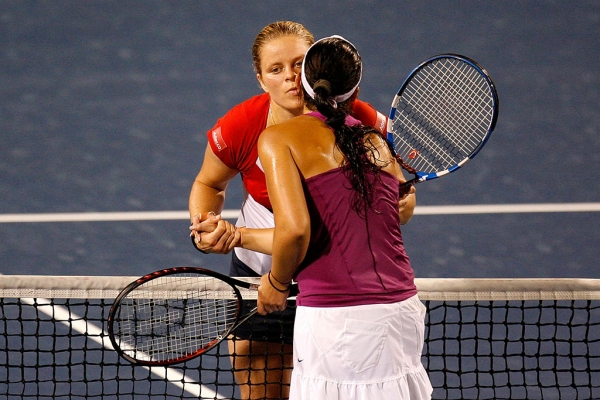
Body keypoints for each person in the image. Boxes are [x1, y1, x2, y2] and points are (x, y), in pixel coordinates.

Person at [188, 21, 388, 399]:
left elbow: (394, 191)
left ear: (315, 65)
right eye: (275, 69)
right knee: (262, 392)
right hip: (259, 274)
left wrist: (403, 200)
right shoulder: (242, 125)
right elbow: (209, 184)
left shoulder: (356, 117)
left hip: (335, 281)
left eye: (298, 64)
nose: (290, 78)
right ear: (261, 80)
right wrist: (206, 225)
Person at [255, 35, 432, 399]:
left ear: (303, 82)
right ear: (355, 92)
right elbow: (392, 215)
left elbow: (296, 230)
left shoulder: (278, 138)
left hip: (337, 321)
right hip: (403, 312)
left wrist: (276, 282)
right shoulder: (377, 142)